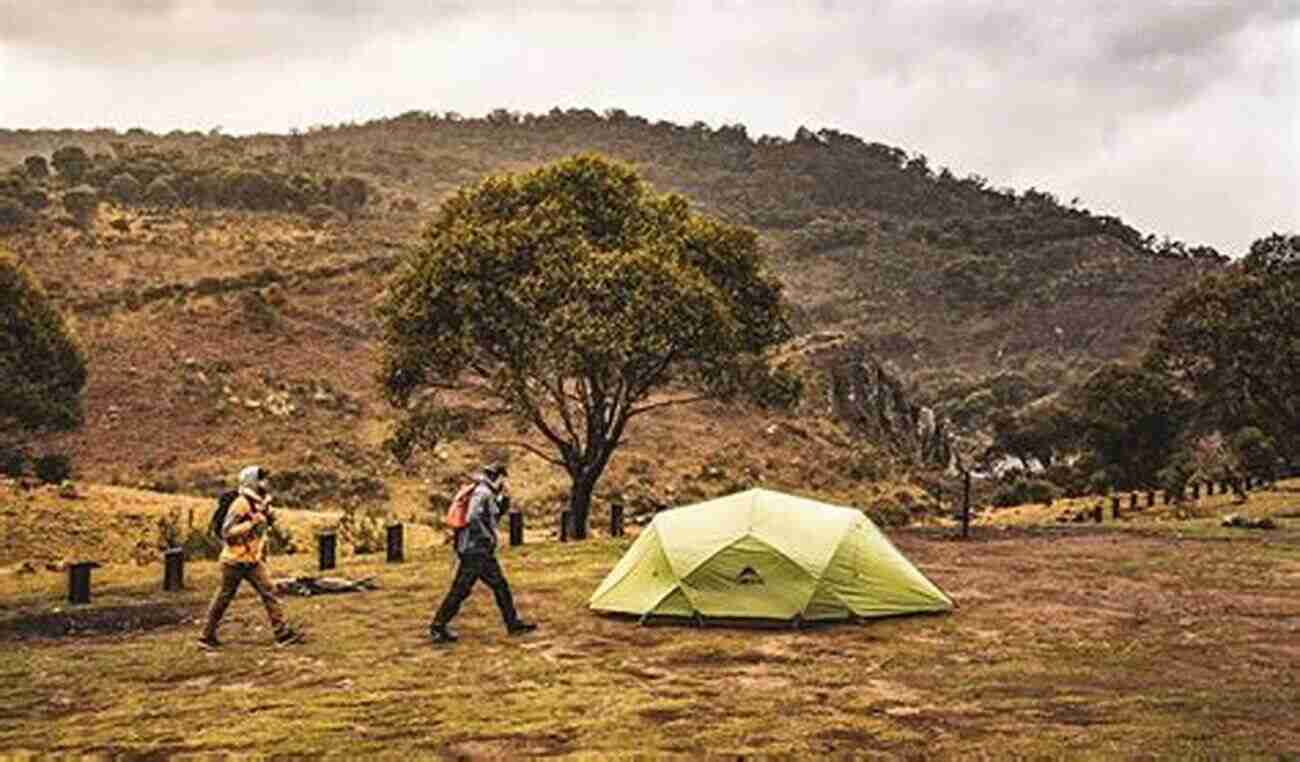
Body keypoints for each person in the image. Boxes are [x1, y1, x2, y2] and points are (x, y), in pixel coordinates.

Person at [429, 463, 537, 644]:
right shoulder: (483, 493)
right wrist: (487, 537)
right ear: (498, 476)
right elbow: (473, 518)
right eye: (503, 478)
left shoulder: (484, 491)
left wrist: (503, 500)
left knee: (483, 587)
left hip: (475, 550)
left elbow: (492, 516)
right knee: (476, 588)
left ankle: (512, 623)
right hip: (477, 551)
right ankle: (438, 626)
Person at [198, 465, 303, 649]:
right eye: (261, 479)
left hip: (252, 560)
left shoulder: (260, 503)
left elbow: (264, 527)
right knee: (223, 598)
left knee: (269, 591)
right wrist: (251, 523)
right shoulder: (240, 504)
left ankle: (282, 633)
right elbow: (227, 532)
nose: (265, 483)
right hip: (234, 561)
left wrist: (268, 516)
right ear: (252, 482)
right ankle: (206, 636)